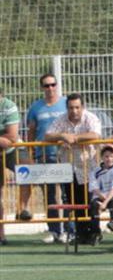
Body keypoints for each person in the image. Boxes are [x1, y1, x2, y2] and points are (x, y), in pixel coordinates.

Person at [44, 93, 101, 243]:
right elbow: (48, 135)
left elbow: (95, 134)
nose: (74, 111)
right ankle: (81, 234)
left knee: (91, 201)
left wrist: (75, 138)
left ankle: (95, 232)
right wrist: (62, 135)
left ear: (83, 107)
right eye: (71, 107)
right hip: (69, 168)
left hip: (88, 167)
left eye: (77, 107)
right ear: (67, 108)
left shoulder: (90, 118)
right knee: (74, 202)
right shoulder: (61, 119)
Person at [27, 74, 68, 242]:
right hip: (44, 155)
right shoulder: (36, 107)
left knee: (66, 194)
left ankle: (68, 229)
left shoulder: (66, 104)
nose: (50, 88)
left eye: (53, 84)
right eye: (46, 85)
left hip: (65, 155)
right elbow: (31, 131)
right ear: (42, 88)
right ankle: (53, 230)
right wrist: (31, 153)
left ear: (57, 85)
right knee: (49, 195)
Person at [87, 145, 113, 244]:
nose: (109, 159)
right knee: (94, 206)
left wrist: (105, 202)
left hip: (111, 196)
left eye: (112, 156)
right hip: (100, 196)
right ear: (102, 157)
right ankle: (96, 232)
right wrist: (102, 199)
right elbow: (94, 187)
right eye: (106, 156)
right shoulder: (95, 171)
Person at [0, 89, 20, 246]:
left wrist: (6, 139)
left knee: (33, 175)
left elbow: (12, 138)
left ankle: (23, 210)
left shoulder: (9, 106)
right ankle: (1, 235)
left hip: (13, 152)